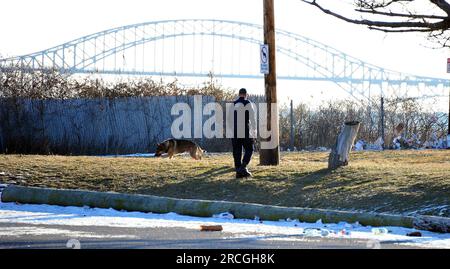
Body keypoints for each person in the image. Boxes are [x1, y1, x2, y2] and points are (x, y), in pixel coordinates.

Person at [229, 88, 257, 178]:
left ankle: (238, 171)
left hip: (235, 130)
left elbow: (229, 119)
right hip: (245, 129)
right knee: (249, 149)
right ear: (246, 94)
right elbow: (252, 117)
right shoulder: (247, 103)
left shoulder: (233, 104)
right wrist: (254, 128)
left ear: (239, 94)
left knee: (236, 151)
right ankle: (243, 167)